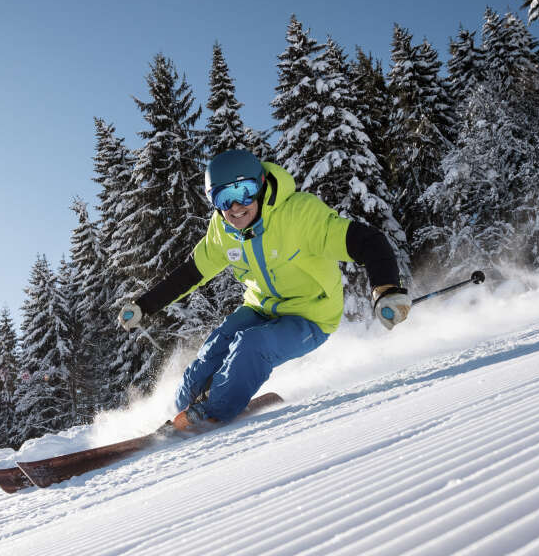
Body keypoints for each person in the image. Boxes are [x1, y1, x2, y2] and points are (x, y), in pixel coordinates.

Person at [117, 149, 411, 431]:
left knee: (252, 346)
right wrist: (144, 305)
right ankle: (182, 410)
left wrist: (384, 289)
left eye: (243, 192)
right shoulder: (222, 231)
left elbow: (368, 241)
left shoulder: (298, 216)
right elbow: (189, 274)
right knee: (213, 349)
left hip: (310, 315)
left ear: (259, 186)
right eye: (223, 197)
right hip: (261, 308)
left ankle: (211, 415)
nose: (235, 207)